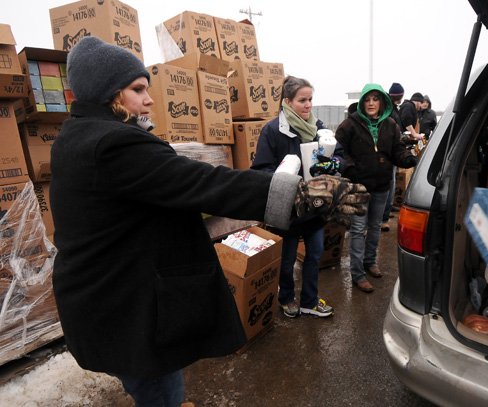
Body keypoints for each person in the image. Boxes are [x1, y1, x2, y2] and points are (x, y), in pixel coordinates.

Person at [50, 36, 368, 406]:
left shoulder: (77, 135)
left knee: (145, 379)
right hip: (125, 305)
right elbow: (203, 182)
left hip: (106, 298)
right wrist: (297, 194)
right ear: (109, 94)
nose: (149, 99)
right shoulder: (112, 145)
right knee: (158, 385)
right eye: (138, 89)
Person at [252, 76, 345, 319]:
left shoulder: (319, 129)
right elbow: (260, 170)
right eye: (302, 100)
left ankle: (309, 301)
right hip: (287, 209)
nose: (308, 105)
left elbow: (341, 158)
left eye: (310, 99)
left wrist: (332, 164)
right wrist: (286, 178)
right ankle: (286, 298)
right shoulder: (273, 131)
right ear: (287, 102)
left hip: (314, 205)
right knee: (287, 258)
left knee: (315, 254)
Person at [335, 83, 418, 293]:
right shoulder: (349, 125)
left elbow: (397, 150)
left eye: (375, 99)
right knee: (357, 229)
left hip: (381, 185)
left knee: (374, 227)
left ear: (383, 102)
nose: (371, 103)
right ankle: (357, 273)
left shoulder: (391, 125)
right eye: (367, 99)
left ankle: (369, 262)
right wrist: (350, 169)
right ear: (362, 102)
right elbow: (339, 152)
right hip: (359, 187)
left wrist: (408, 159)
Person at [381, 82, 405, 232]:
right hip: (386, 153)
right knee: (389, 184)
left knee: (390, 184)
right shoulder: (388, 109)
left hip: (391, 152)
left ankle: (383, 217)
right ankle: (383, 218)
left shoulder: (392, 108)